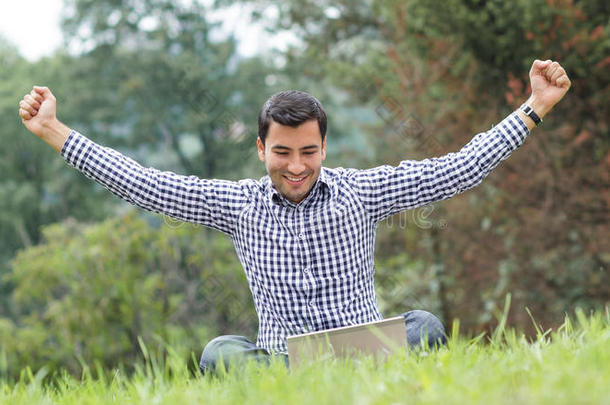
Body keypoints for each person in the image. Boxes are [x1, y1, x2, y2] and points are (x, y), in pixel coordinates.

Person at [18, 59, 571, 374]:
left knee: (424, 326)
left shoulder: (361, 192)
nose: (296, 165)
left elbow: (458, 169)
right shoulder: (239, 205)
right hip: (282, 367)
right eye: (282, 152)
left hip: (363, 357)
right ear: (262, 150)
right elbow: (148, 186)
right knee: (218, 353)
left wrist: (536, 106)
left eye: (308, 151)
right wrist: (54, 132)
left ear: (324, 148)